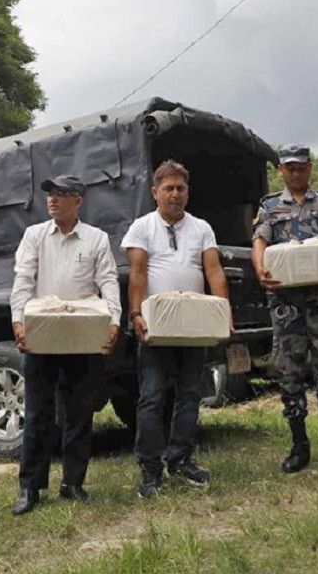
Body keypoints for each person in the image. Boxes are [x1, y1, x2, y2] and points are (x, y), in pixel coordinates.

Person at [9, 175, 121, 516]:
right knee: (38, 411)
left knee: (79, 412)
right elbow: (23, 279)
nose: (53, 200)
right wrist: (18, 319)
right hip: (43, 333)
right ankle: (30, 487)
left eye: (61, 194)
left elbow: (107, 280)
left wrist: (114, 320)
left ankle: (73, 482)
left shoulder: (96, 239)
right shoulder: (35, 235)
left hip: (83, 333)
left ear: (79, 200)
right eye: (51, 194)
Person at [122, 160, 230, 499]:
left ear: (187, 193)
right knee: (152, 396)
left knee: (190, 395)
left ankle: (181, 460)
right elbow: (137, 273)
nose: (174, 194)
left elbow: (214, 272)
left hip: (193, 325)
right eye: (168, 188)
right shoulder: (142, 227)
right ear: (155, 192)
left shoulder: (201, 228)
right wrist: (136, 313)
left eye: (180, 188)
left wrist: (223, 312)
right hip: (156, 326)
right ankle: (150, 470)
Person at [252, 145, 318, 478]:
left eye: (300, 167)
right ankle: (299, 447)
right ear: (281, 171)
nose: (295, 173)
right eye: (289, 168)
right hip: (285, 304)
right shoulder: (269, 206)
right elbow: (260, 242)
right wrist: (260, 269)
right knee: (289, 372)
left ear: (310, 168)